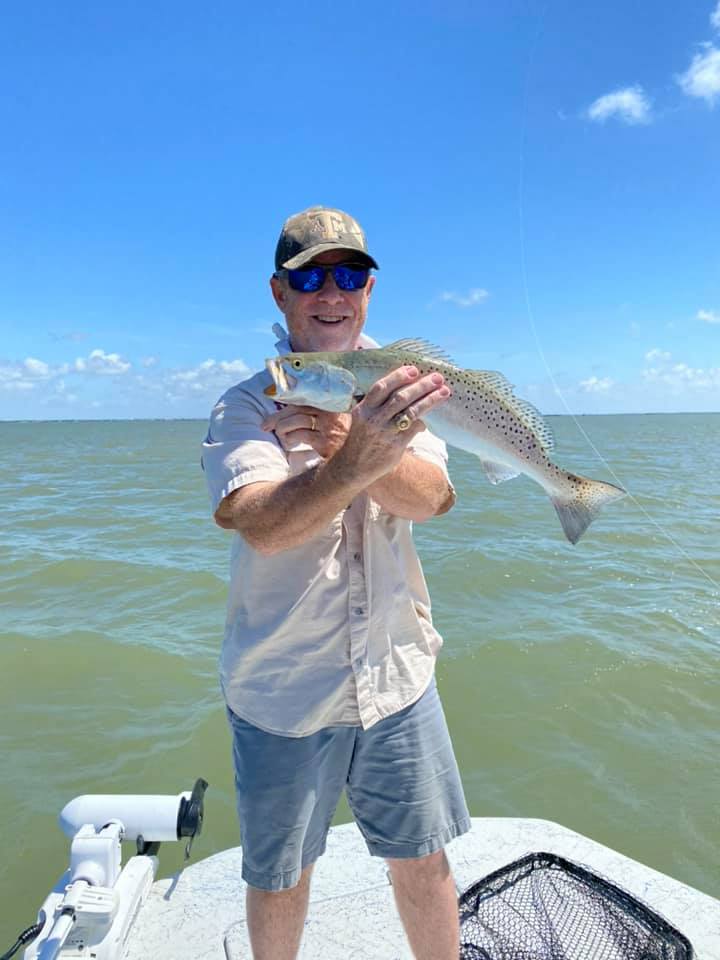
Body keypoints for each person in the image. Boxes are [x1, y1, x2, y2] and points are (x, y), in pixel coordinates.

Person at [201, 205, 470, 960]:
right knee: (281, 874)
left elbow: (435, 500)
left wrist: (368, 448)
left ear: (369, 290)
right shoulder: (250, 401)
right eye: (310, 275)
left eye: (349, 273)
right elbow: (259, 522)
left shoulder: (407, 388)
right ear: (280, 292)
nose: (332, 290)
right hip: (284, 688)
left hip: (397, 673)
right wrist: (353, 464)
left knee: (425, 857)